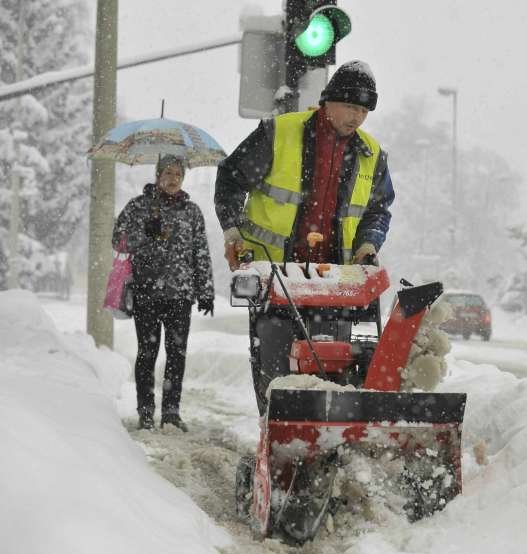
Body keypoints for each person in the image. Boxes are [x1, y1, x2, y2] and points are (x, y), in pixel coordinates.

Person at [214, 60, 394, 415]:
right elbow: (231, 180)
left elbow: (379, 209)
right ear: (328, 101)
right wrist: (233, 231)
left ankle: (351, 424)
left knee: (355, 356)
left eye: (363, 110)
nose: (356, 117)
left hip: (341, 282)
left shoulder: (372, 154)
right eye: (349, 107)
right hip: (277, 277)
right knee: (276, 365)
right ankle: (277, 430)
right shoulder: (278, 133)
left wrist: (368, 244)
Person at [113, 154, 215, 431]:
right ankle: (146, 412)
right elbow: (118, 241)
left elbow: (200, 253)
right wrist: (144, 232)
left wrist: (206, 291)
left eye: (178, 175)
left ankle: (171, 412)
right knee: (147, 352)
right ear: (158, 175)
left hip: (180, 295)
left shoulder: (191, 211)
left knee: (176, 353)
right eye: (168, 173)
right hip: (146, 292)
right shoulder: (138, 207)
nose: (172, 179)